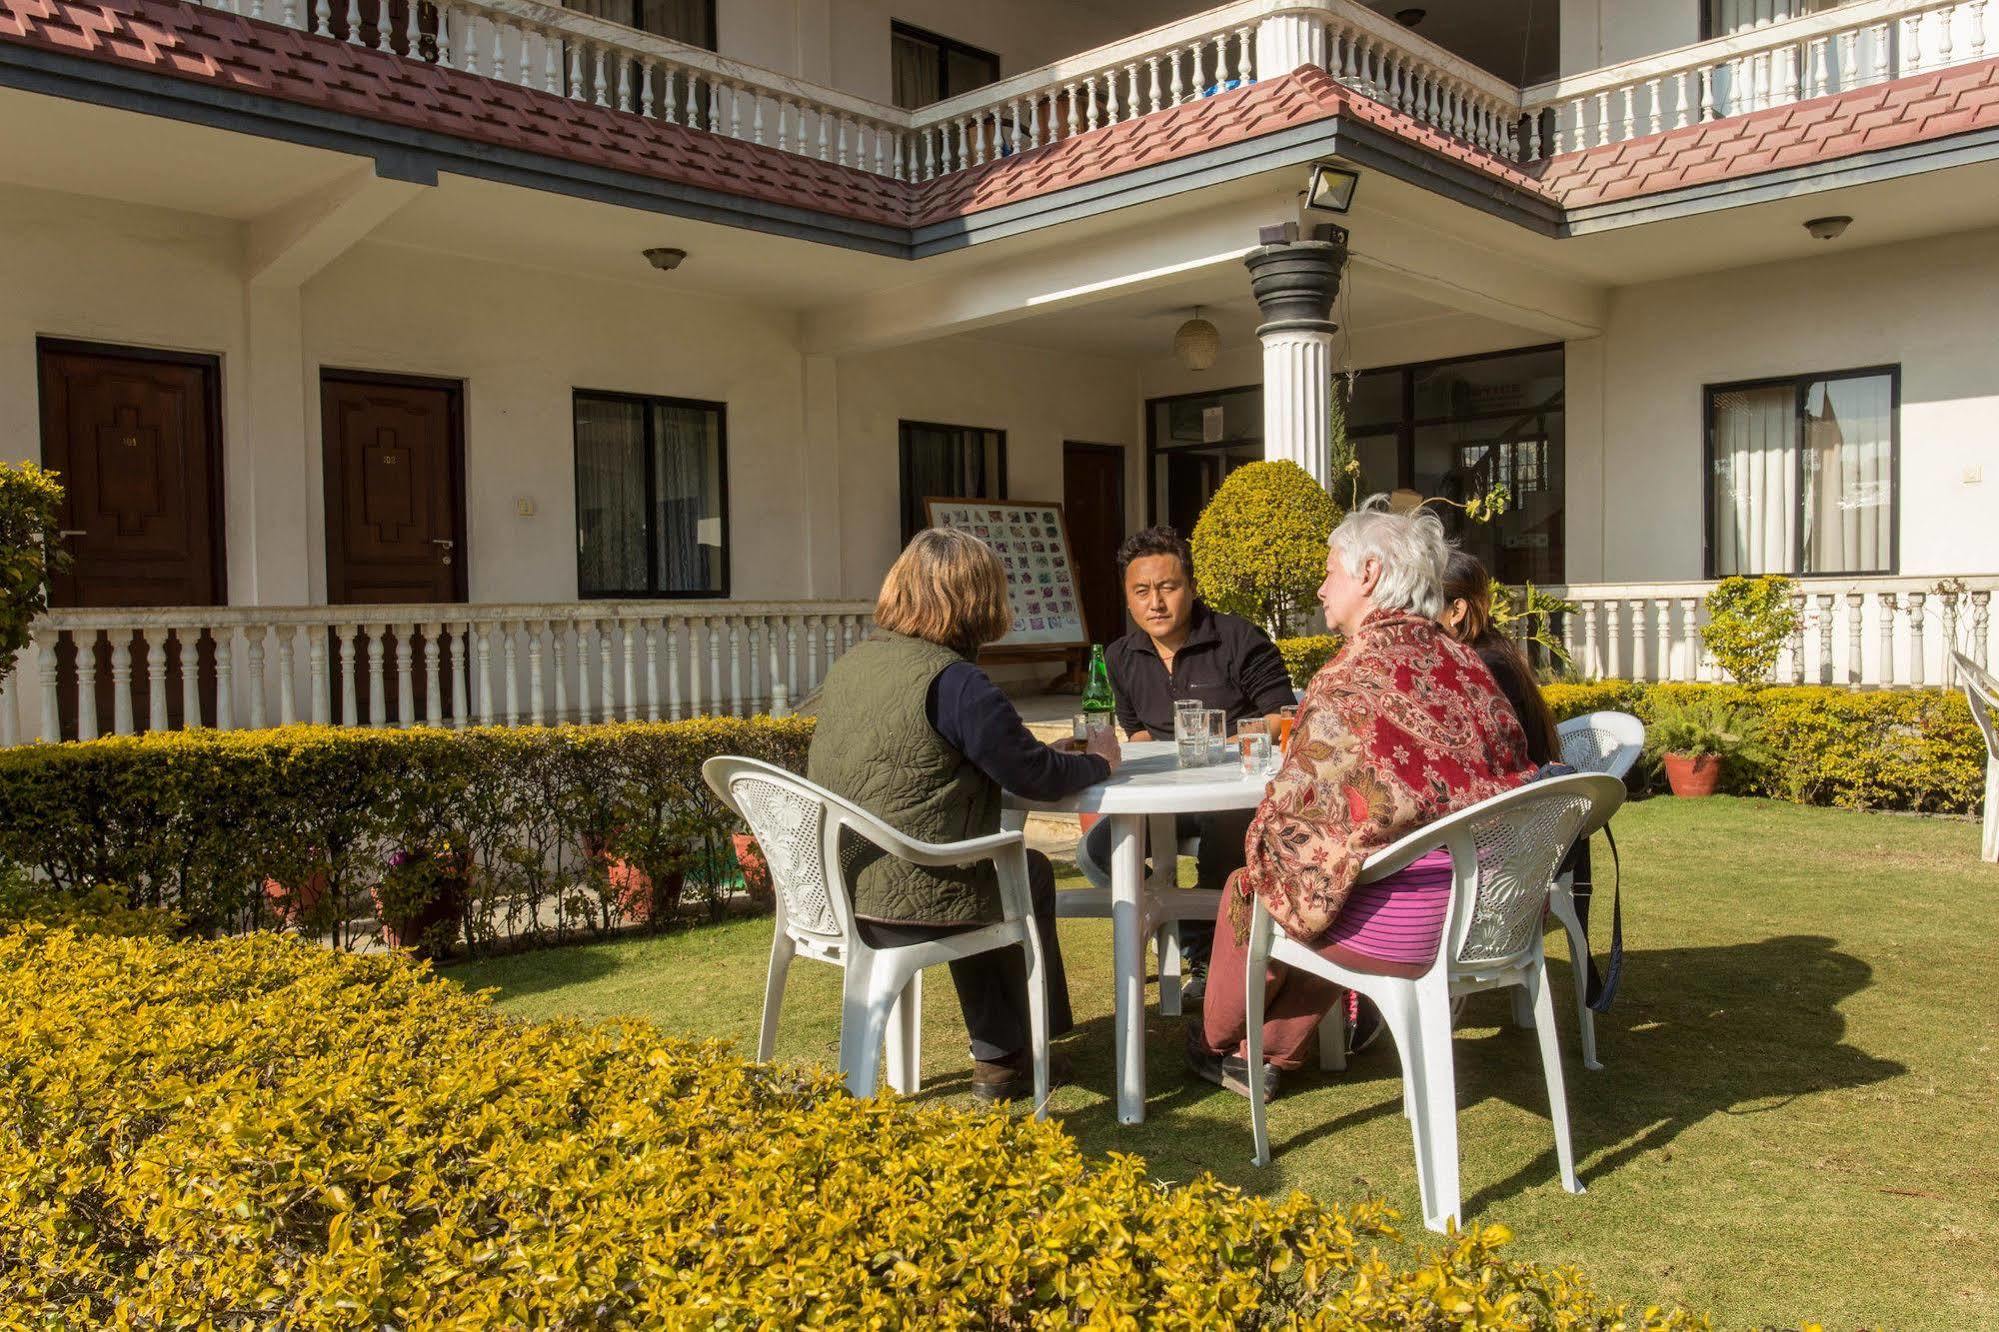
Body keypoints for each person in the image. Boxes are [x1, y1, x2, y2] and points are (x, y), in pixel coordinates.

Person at [1187, 501, 1535, 1100]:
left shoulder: (1351, 676)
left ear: (1369, 573)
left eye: (1331, 571)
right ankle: (1261, 1050)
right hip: (1494, 909)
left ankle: (1218, 1040)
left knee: (1261, 886)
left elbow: (1294, 827)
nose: (1322, 587)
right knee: (1339, 874)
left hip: (1413, 926)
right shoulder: (1468, 666)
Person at [808, 528, 1122, 1104]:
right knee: (1020, 874)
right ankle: (1013, 1052)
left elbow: (1003, 755)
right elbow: (1033, 776)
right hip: (911, 895)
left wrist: (1048, 759)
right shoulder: (955, 682)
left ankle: (1002, 1054)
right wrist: (1099, 763)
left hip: (841, 886)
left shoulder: (852, 666)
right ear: (979, 602)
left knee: (998, 869)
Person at [1075, 526, 1299, 993]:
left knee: (1225, 840)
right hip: (1167, 799)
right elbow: (1135, 732)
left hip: (1237, 793)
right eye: (1141, 591)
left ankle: (1205, 956)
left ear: (1192, 589)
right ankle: (1169, 921)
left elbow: (1284, 717)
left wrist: (1227, 743)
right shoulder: (1120, 656)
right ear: (1129, 598)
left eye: (1167, 587)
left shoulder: (1238, 639)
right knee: (1097, 852)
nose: (1155, 602)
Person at [1438, 550, 1560, 766]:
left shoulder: (1483, 667)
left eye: (1423, 604)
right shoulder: (1493, 650)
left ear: (1457, 611)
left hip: (1519, 796)